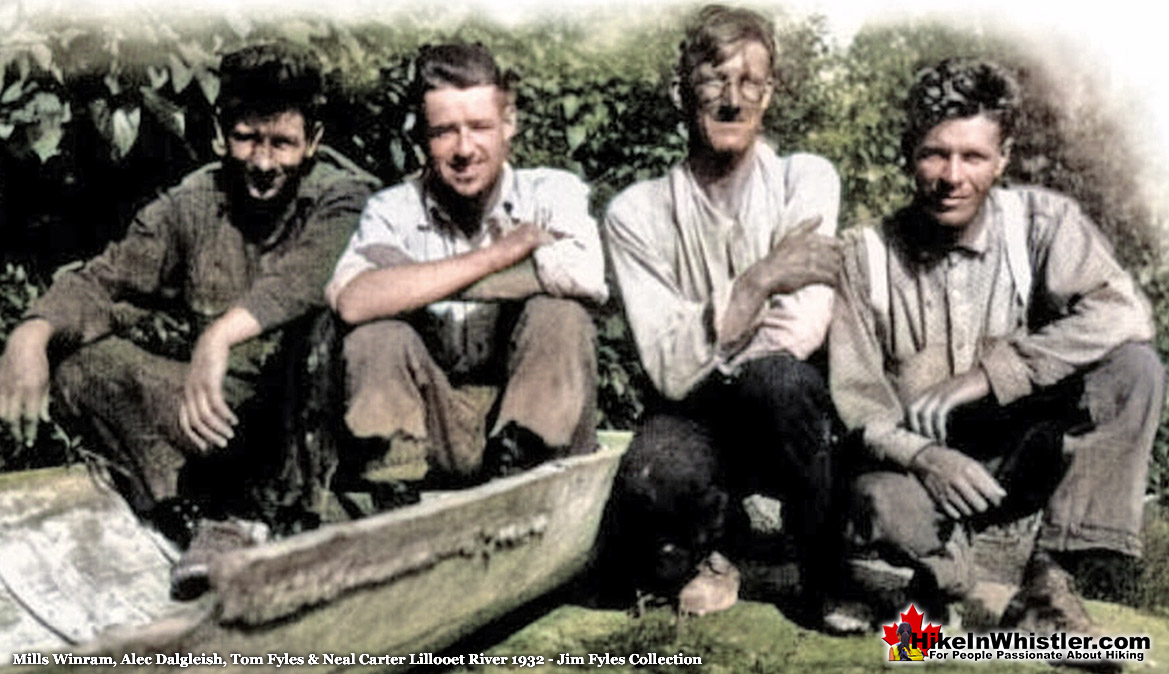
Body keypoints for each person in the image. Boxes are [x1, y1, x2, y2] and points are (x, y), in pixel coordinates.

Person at [0, 42, 380, 591]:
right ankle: (194, 511)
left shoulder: (348, 198)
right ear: (221, 134)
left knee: (323, 331)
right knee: (82, 367)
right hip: (229, 422)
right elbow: (103, 283)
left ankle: (275, 517)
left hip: (322, 431)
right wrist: (30, 334)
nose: (263, 162)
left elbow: (308, 278)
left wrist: (219, 336)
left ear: (313, 142)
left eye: (282, 143)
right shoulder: (194, 202)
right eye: (248, 138)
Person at [830, 57, 1164, 632]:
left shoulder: (1041, 224)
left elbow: (1124, 314)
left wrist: (994, 372)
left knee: (1135, 369)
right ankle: (937, 580)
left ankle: (1050, 583)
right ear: (910, 153)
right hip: (917, 470)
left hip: (1019, 456)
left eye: (974, 156)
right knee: (879, 504)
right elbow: (859, 405)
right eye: (935, 153)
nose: (952, 176)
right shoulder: (867, 256)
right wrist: (925, 457)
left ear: (1002, 159)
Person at [603, 5, 842, 618]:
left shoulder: (804, 180)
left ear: (770, 92)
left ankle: (822, 572)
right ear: (680, 90)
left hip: (779, 403)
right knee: (652, 478)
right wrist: (758, 283)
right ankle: (717, 543)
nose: (732, 100)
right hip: (693, 415)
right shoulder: (637, 213)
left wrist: (708, 334)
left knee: (782, 382)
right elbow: (665, 367)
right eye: (714, 81)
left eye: (750, 82)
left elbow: (802, 328)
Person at [325, 43, 606, 486]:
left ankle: (529, 475)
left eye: (479, 127)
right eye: (444, 132)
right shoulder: (391, 210)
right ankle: (392, 488)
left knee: (561, 315)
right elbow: (355, 302)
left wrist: (419, 284)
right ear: (422, 135)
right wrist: (498, 258)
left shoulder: (551, 192)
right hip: (428, 423)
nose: (464, 149)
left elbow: (585, 276)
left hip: (522, 414)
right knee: (376, 336)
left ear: (508, 124)